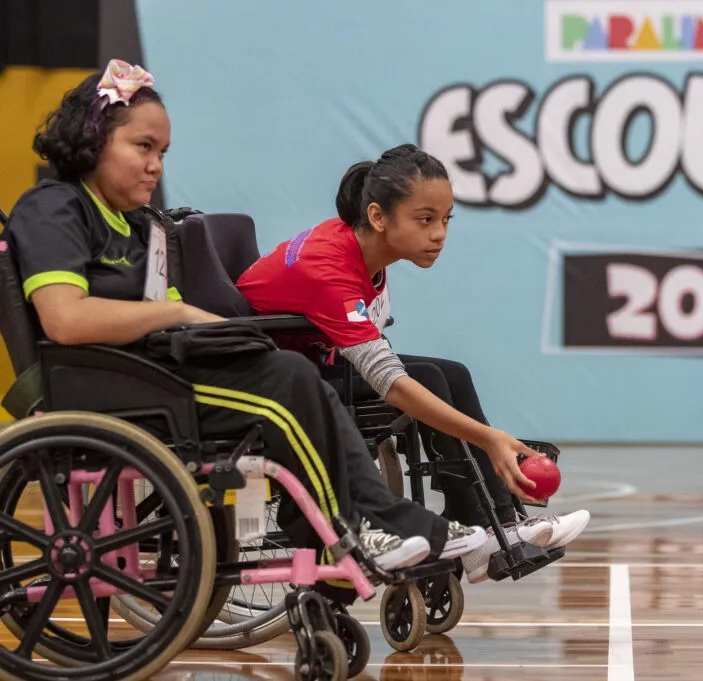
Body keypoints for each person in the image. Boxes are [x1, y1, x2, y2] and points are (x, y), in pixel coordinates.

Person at [3, 59, 489, 574]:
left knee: (301, 375)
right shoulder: (54, 209)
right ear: (94, 138)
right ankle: (367, 529)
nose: (155, 166)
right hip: (110, 381)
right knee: (289, 380)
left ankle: (381, 528)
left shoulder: (135, 224)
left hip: (155, 370)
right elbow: (65, 321)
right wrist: (178, 311)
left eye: (162, 153)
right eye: (143, 147)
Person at [236, 144, 590, 584]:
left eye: (445, 220)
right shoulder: (329, 268)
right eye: (425, 220)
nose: (440, 233)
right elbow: (391, 383)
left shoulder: (363, 252)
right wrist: (490, 438)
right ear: (379, 217)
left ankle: (495, 526)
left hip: (311, 364)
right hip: (266, 382)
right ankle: (483, 531)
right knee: (423, 381)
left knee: (450, 374)